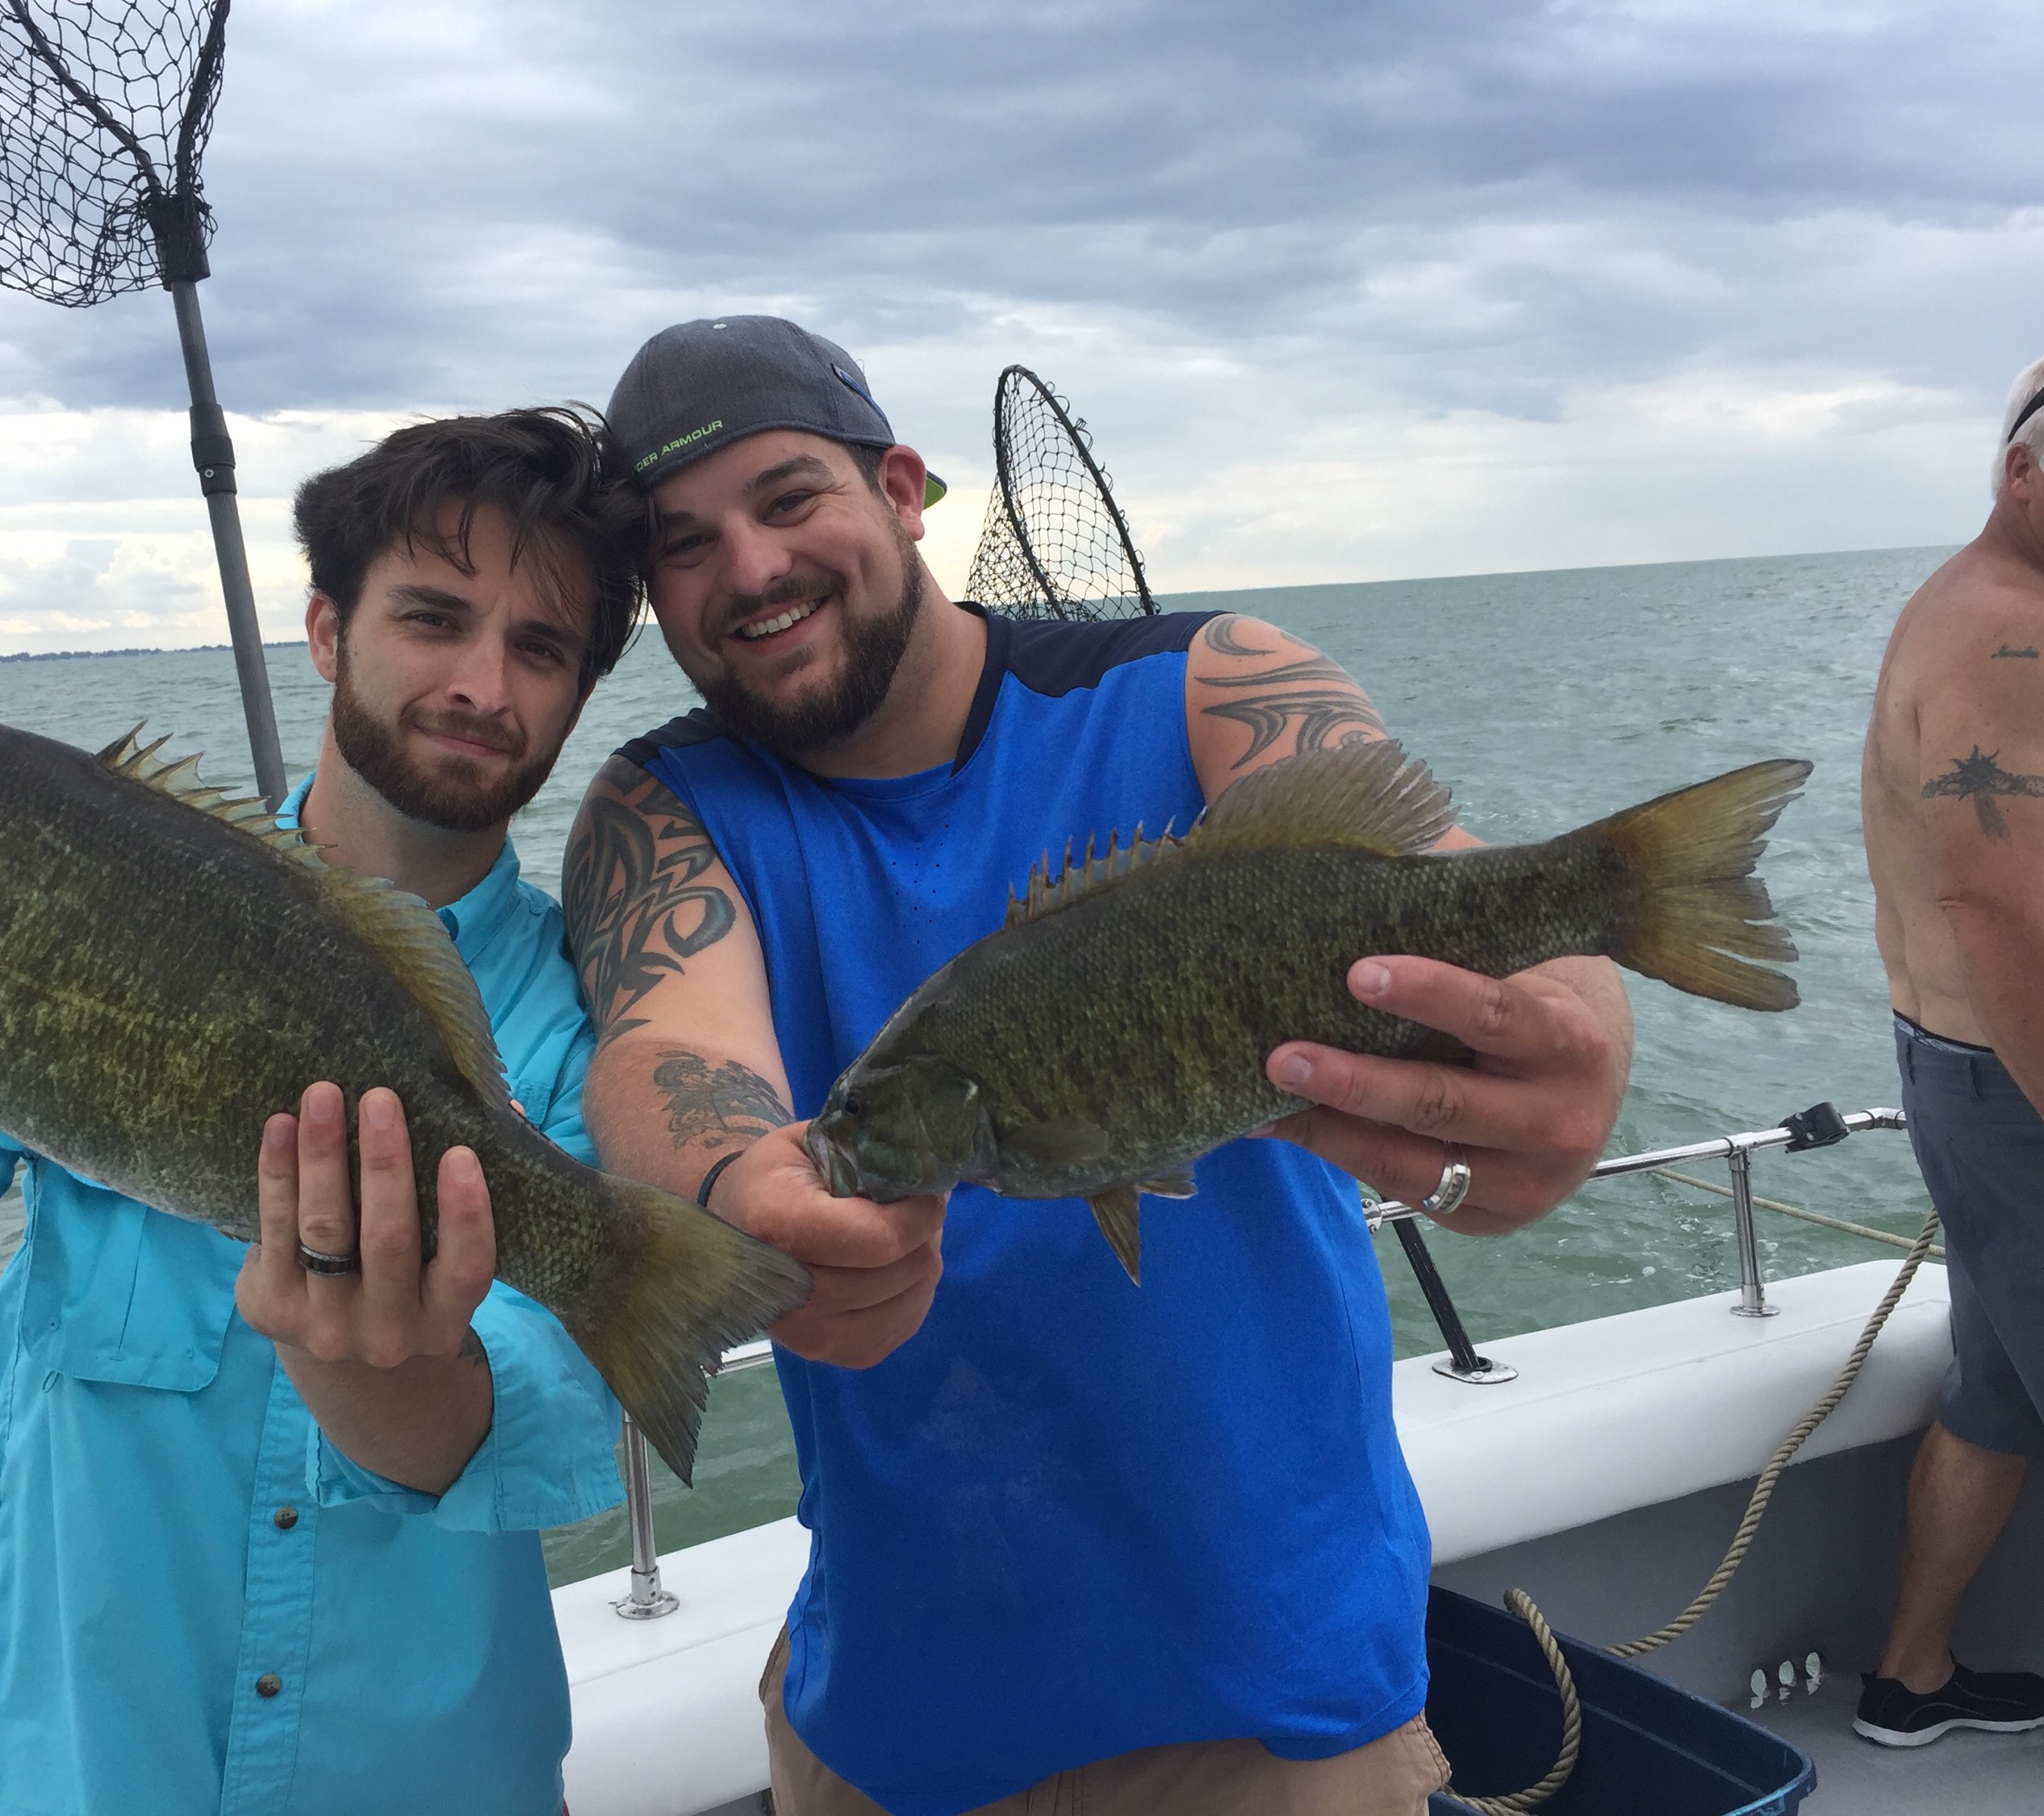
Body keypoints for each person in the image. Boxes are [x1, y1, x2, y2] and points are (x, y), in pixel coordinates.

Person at [562, 316, 1635, 1816]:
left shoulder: (1207, 685)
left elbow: (1431, 887)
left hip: (1277, 1708)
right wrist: (745, 1187)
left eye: (790, 497)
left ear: (903, 487)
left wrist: (1576, 1009)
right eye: (685, 544)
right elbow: (667, 1043)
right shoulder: (662, 805)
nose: (748, 569)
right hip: (892, 1722)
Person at [0, 408, 646, 1814]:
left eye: (540, 648)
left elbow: (558, 1426)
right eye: (434, 616)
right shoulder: (102, 887)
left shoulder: (600, 1013)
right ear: (326, 627)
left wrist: (382, 1364)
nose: (483, 681)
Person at [1854, 352, 2044, 1749]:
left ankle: (1908, 1678)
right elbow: (2000, 906)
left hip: (1970, 1077)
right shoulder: (2004, 631)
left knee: (1996, 1390)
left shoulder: (2000, 613)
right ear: (2022, 470)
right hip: (2024, 1092)